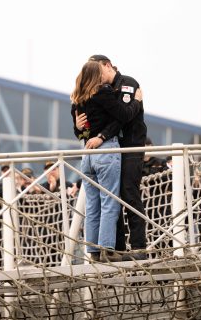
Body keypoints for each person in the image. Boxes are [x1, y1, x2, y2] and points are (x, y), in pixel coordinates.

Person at [70, 60, 143, 262]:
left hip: (87, 155)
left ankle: (92, 251)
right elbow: (122, 115)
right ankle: (107, 249)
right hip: (105, 150)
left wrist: (80, 129)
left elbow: (80, 131)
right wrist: (136, 102)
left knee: (92, 205)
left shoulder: (77, 99)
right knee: (110, 201)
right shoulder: (103, 92)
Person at [88, 54, 148, 260]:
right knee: (112, 198)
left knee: (129, 193)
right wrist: (81, 128)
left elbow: (123, 117)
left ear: (107, 66)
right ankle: (119, 248)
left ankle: (139, 247)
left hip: (130, 147)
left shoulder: (127, 83)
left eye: (98, 70)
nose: (96, 75)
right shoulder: (100, 91)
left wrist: (101, 135)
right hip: (112, 149)